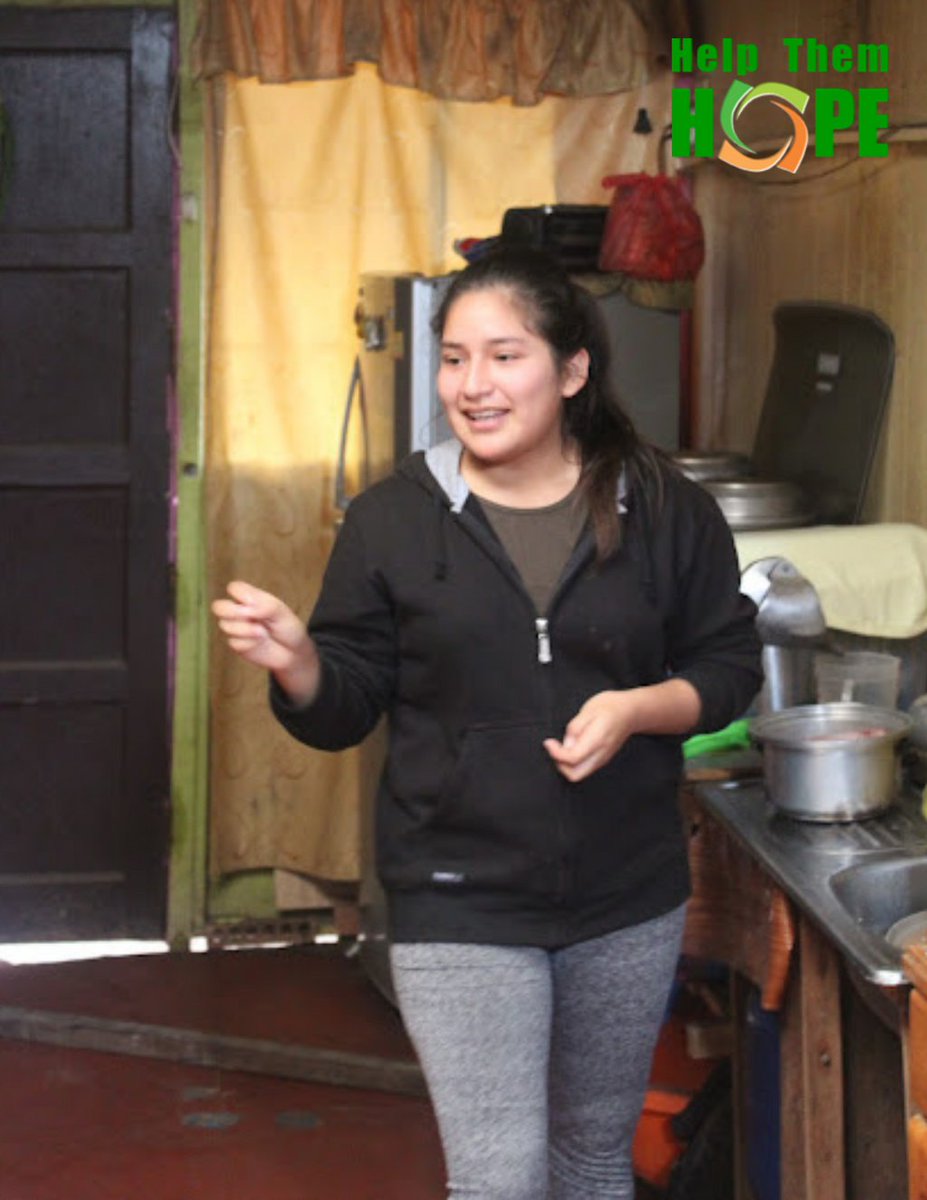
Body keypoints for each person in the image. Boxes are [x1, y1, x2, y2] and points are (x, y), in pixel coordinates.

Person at [212, 245, 762, 1200]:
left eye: (504, 356)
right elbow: (342, 708)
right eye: (455, 358)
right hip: (457, 889)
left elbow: (726, 667)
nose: (473, 385)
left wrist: (636, 710)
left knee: (594, 1165)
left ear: (572, 368)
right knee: (501, 1177)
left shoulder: (664, 509)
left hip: (625, 892)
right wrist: (300, 662)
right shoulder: (394, 519)